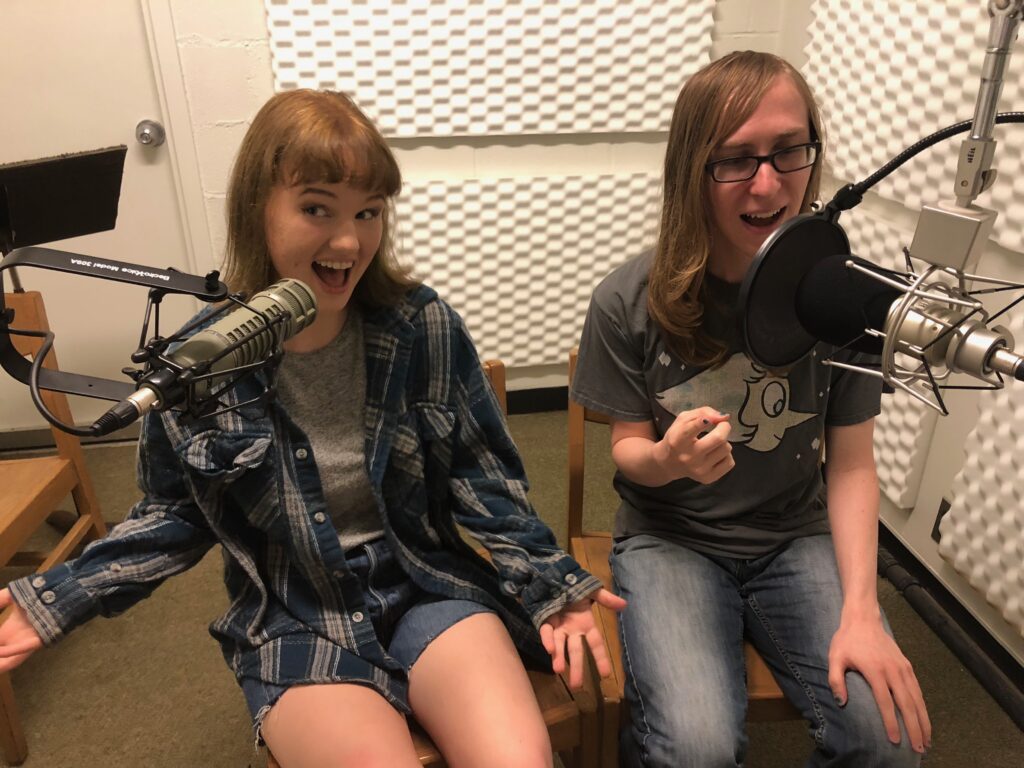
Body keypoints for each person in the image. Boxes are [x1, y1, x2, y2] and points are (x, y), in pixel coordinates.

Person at [0, 89, 625, 768]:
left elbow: (484, 476)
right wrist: (59, 597)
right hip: (294, 613)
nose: (349, 240)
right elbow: (175, 515)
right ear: (257, 211)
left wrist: (548, 584)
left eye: (368, 212)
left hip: (423, 583)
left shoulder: (421, 326)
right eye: (316, 209)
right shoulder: (199, 364)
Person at [570, 51, 930, 767]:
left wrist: (862, 611)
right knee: (695, 749)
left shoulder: (844, 296)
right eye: (735, 159)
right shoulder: (627, 299)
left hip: (796, 537)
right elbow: (628, 455)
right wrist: (669, 461)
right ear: (692, 169)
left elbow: (852, 466)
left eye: (787, 151)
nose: (767, 183)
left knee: (887, 742)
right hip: (671, 538)